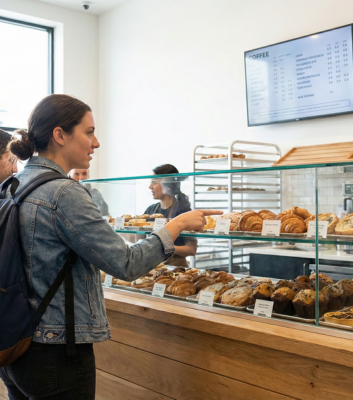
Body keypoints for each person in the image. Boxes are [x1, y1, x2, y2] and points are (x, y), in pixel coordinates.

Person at [0, 94, 221, 400]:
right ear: (60, 135)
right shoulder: (64, 193)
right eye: (89, 132)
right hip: (56, 350)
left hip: (16, 338)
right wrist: (177, 225)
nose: (97, 143)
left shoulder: (14, 184)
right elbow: (125, 264)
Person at [144, 164, 196, 267]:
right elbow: (136, 236)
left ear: (167, 186)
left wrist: (160, 247)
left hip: (175, 270)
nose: (150, 187)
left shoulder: (182, 210)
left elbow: (191, 249)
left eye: (154, 183)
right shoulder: (151, 209)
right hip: (153, 268)